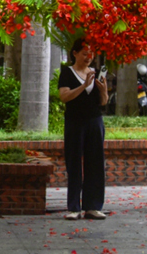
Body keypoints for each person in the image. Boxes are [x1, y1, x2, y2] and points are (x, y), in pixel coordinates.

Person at [57, 38, 108, 220]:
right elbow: (64, 96)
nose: (88, 57)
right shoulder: (67, 73)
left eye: (91, 54)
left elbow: (103, 101)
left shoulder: (96, 73)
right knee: (74, 163)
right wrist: (84, 86)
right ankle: (74, 208)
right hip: (75, 122)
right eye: (84, 53)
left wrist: (102, 90)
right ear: (75, 53)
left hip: (94, 121)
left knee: (95, 163)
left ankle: (93, 206)